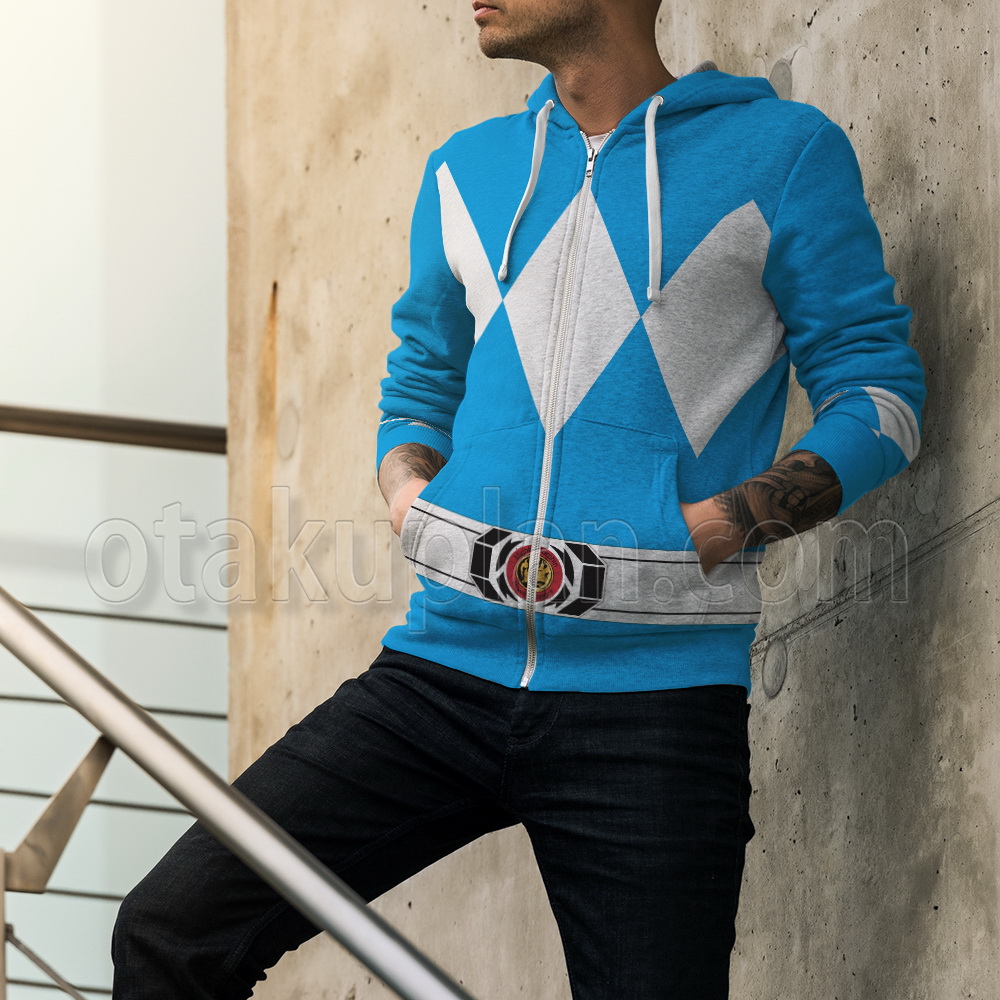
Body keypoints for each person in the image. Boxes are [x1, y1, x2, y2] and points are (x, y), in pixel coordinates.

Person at [111, 1, 927, 997]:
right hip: (438, 676)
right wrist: (409, 495)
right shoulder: (467, 169)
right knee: (171, 929)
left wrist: (717, 527)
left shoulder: (781, 152)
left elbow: (879, 397)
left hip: (654, 707)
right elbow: (421, 377)